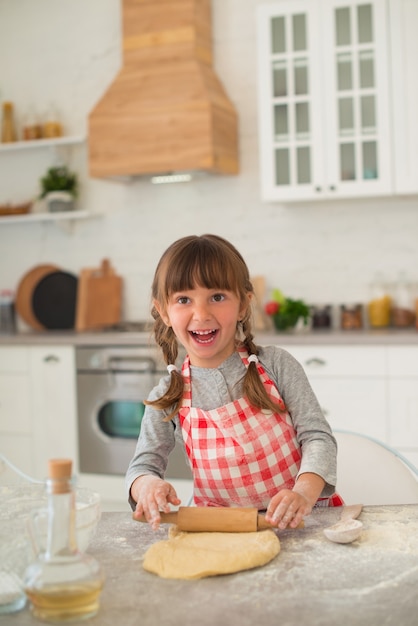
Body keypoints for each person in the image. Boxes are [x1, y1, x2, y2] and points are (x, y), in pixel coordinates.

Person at [126, 234, 343, 531]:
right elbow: (142, 466)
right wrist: (147, 486)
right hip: (221, 531)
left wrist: (303, 493)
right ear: (163, 311)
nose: (201, 314)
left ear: (243, 305)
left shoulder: (276, 365)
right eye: (183, 300)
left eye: (217, 297)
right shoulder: (168, 395)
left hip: (300, 522)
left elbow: (318, 437)